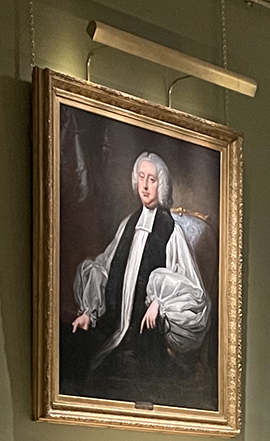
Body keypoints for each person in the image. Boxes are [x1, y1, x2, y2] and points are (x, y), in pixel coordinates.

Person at [69, 151, 213, 401]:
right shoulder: (128, 224)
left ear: (162, 184)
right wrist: (88, 312)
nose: (145, 186)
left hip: (147, 338)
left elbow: (190, 288)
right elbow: (103, 268)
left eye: (152, 180)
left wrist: (160, 302)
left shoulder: (172, 231)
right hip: (113, 324)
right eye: (141, 177)